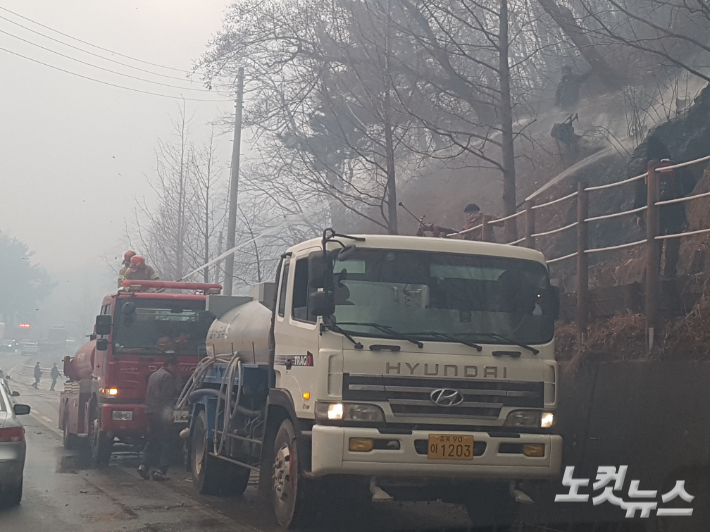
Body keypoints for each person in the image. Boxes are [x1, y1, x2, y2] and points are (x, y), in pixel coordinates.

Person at [633, 137, 698, 278]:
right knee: (673, 242)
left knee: (655, 243)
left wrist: (639, 215)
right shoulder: (674, 167)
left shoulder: (646, 171)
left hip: (655, 213)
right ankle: (670, 274)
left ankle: (653, 276)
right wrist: (679, 196)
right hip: (675, 210)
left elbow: (640, 195)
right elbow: (691, 183)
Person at [138, 356, 179, 481]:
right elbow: (166, 398)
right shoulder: (167, 377)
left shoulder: (154, 375)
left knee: (152, 441)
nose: (177, 370)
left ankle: (143, 466)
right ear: (170, 365)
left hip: (150, 412)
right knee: (167, 442)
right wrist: (169, 414)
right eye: (176, 367)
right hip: (160, 414)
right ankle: (161, 471)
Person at [418, 203, 498, 242]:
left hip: (485, 244)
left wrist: (494, 218)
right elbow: (461, 234)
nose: (468, 215)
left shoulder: (485, 218)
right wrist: (445, 233)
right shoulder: (468, 225)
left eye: (470, 213)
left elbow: (500, 222)